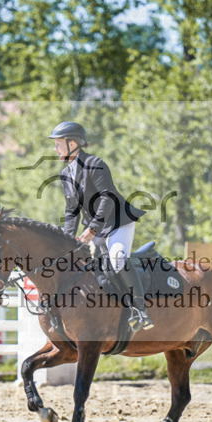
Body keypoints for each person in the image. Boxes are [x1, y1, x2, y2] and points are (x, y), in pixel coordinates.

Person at [49, 121, 153, 331]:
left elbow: (108, 197)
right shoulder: (65, 175)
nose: (55, 148)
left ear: (72, 143)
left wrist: (93, 228)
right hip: (96, 228)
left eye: (58, 143)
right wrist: (66, 242)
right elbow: (71, 211)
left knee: (116, 259)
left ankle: (140, 309)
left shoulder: (95, 164)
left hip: (116, 222)